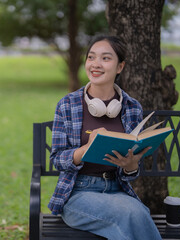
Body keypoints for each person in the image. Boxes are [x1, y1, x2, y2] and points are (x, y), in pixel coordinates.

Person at [48, 35, 162, 240]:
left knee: (137, 213)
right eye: (91, 57)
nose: (95, 64)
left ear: (120, 67)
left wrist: (130, 165)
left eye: (105, 58)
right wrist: (86, 149)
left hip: (118, 191)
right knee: (133, 213)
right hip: (78, 194)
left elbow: (130, 173)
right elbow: (56, 159)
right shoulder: (67, 104)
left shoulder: (131, 107)